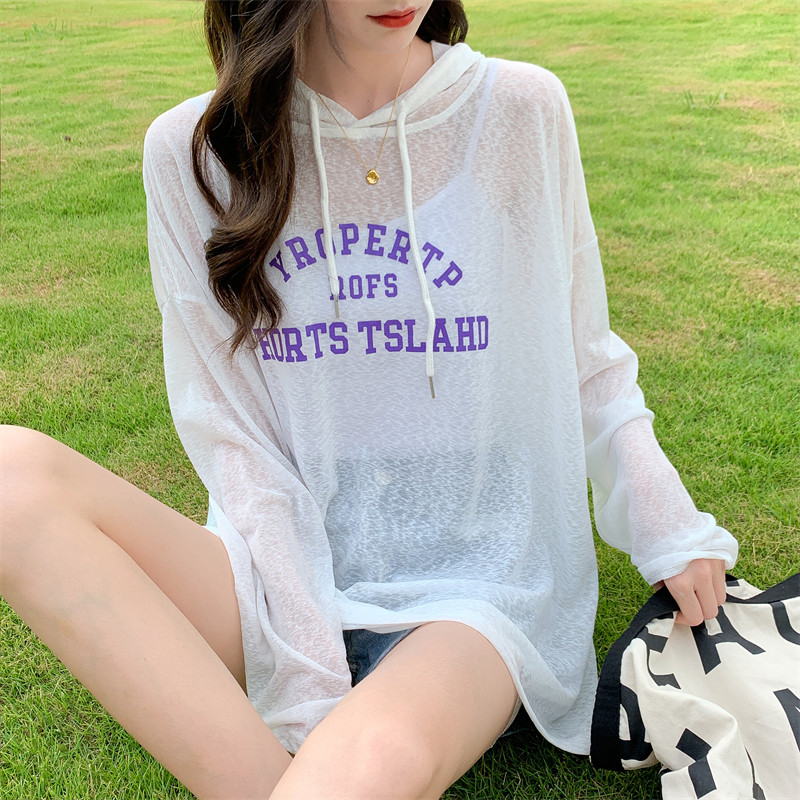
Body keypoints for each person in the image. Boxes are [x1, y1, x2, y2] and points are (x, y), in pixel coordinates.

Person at [0, 1, 739, 798]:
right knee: (12, 478)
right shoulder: (198, 152)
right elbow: (229, 429)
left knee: (359, 769)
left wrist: (666, 523)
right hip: (277, 571)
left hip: (474, 586)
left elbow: (583, 352)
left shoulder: (518, 109)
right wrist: (307, 667)